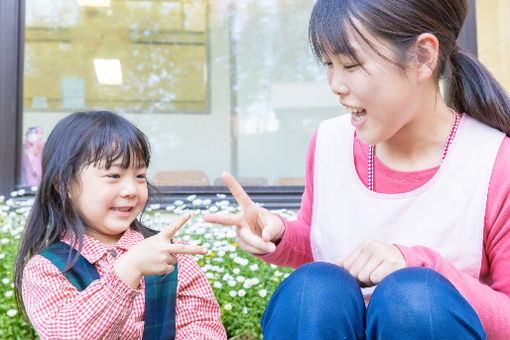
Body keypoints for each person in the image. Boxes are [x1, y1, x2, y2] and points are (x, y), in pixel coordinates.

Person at [204, 0, 510, 339]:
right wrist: (278, 234)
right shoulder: (329, 142)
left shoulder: (495, 161)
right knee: (313, 288)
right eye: (328, 64)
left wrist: (416, 263)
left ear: (422, 57)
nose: (335, 84)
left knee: (412, 297)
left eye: (350, 64)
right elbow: (323, 246)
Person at [14, 111, 227, 340]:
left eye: (140, 175)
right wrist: (128, 270)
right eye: (114, 175)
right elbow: (68, 333)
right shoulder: (47, 269)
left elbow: (204, 329)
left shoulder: (173, 257)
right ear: (62, 183)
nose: (131, 190)